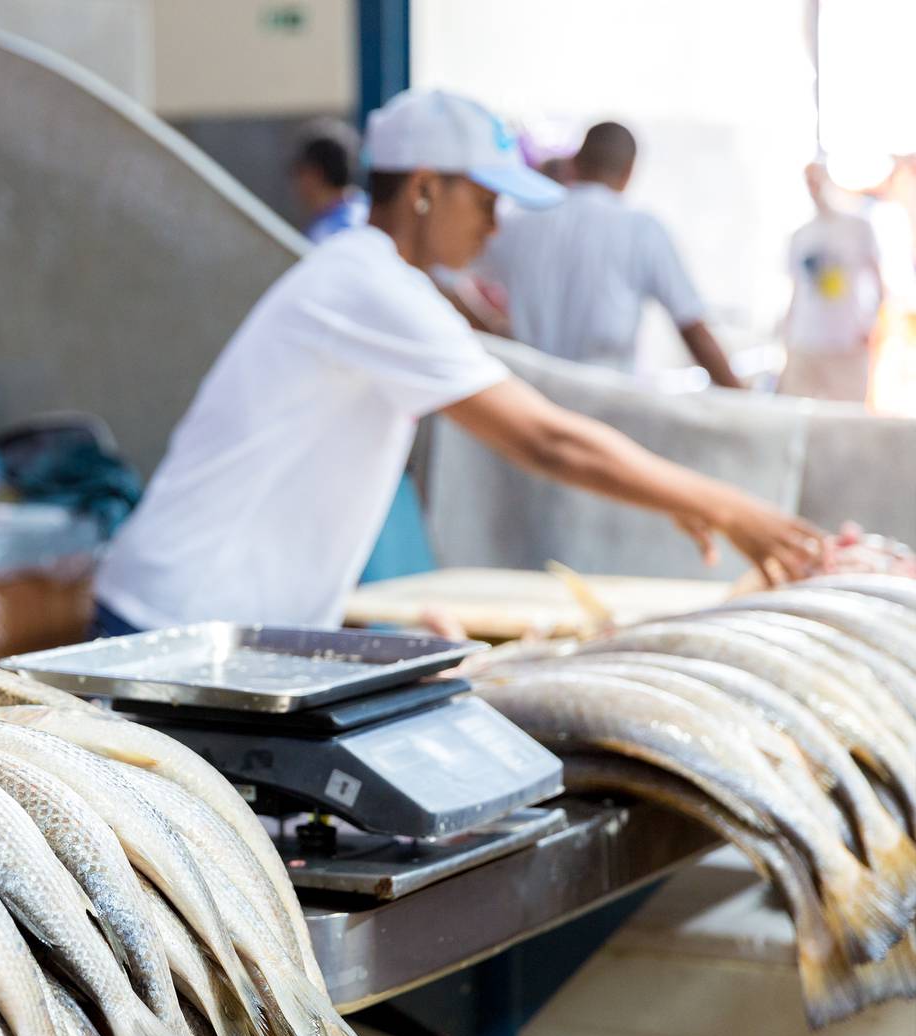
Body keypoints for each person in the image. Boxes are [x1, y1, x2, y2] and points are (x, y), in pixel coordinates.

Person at [90, 90, 821, 636]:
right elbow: (548, 441)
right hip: (170, 625)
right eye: (484, 200)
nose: (495, 224)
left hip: (209, 621)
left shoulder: (377, 278)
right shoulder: (366, 283)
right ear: (424, 189)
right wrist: (728, 508)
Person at [475, 121, 742, 388]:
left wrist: (493, 332)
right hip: (605, 406)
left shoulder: (518, 222)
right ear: (629, 172)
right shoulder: (642, 230)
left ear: (574, 163)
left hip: (528, 398)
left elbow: (445, 277)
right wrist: (745, 400)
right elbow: (692, 327)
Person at [780, 163, 882, 403]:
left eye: (818, 179)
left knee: (847, 418)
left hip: (846, 345)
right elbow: (795, 291)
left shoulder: (858, 228)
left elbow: (878, 284)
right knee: (795, 414)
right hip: (806, 344)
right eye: (809, 182)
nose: (814, 187)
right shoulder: (800, 236)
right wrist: (787, 333)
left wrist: (870, 325)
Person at [291, 117, 367, 244]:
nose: (295, 182)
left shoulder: (325, 235)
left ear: (314, 173)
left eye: (299, 171)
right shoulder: (373, 213)